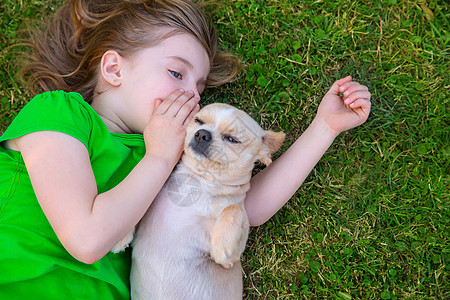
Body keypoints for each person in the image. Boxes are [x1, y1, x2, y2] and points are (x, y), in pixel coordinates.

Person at [0, 0, 371, 299]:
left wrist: (324, 128)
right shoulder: (59, 114)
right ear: (114, 69)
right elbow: (87, 238)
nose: (192, 95)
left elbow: (246, 205)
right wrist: (158, 157)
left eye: (200, 87)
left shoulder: (172, 152)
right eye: (177, 73)